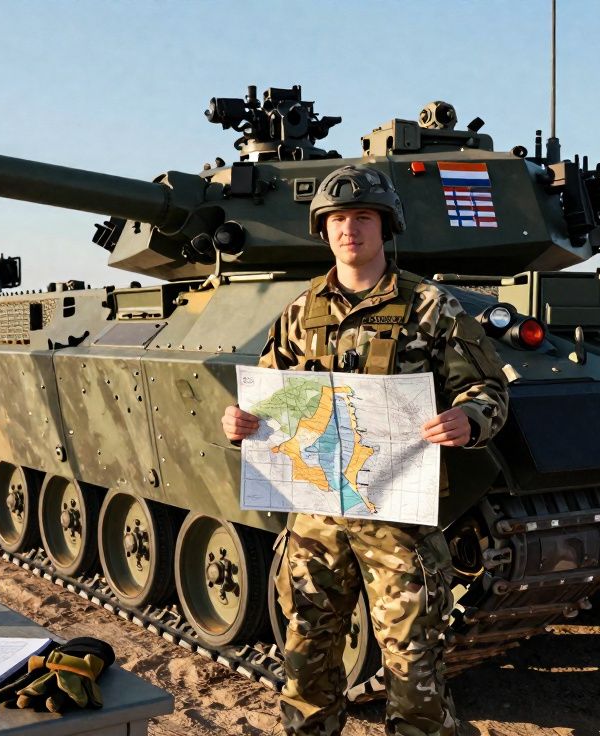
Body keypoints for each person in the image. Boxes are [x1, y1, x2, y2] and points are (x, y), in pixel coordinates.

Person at [221, 165, 510, 736]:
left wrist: (468, 419)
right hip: (317, 520)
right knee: (305, 657)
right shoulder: (302, 312)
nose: (349, 229)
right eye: (337, 220)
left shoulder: (430, 307)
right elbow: (272, 390)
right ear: (323, 231)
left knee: (412, 666)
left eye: (362, 218)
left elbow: (489, 389)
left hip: (398, 520)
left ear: (385, 226)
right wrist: (242, 419)